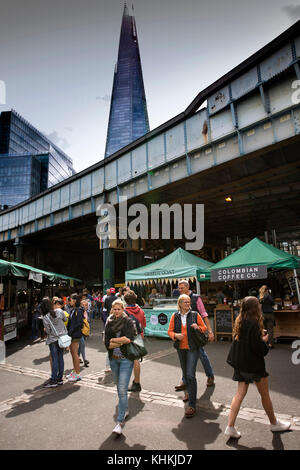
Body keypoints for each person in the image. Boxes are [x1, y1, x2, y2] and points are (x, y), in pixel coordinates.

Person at [225, 296, 291, 438]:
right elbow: (259, 350)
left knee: (239, 394)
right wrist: (264, 341)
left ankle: (230, 426)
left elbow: (245, 342)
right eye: (258, 304)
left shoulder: (240, 320)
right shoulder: (254, 323)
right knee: (265, 395)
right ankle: (274, 424)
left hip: (240, 364)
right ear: (255, 308)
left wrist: (257, 338)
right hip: (253, 365)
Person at [168, 294, 207, 418]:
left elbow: (204, 327)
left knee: (190, 375)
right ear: (180, 304)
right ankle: (189, 394)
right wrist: (175, 336)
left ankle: (192, 405)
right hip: (181, 348)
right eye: (185, 302)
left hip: (192, 348)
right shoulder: (175, 316)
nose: (187, 304)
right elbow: (169, 331)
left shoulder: (195, 315)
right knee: (185, 374)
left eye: (189, 302)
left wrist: (197, 327)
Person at [104, 299, 137, 435]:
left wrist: (114, 340)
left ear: (123, 309)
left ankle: (119, 421)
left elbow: (129, 339)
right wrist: (119, 341)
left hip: (126, 361)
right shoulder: (109, 322)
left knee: (122, 390)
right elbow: (107, 344)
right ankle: (125, 410)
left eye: (119, 309)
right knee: (119, 388)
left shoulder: (128, 321)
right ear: (112, 309)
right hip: (114, 360)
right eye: (115, 309)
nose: (117, 311)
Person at [175, 280, 215, 390]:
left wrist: (210, 331)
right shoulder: (180, 299)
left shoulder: (196, 298)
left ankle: (210, 375)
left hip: (196, 334)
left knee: (201, 355)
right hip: (184, 335)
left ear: (187, 287)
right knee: (184, 358)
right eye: (179, 288)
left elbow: (204, 314)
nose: (180, 290)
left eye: (182, 287)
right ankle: (185, 380)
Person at [40, 297, 68, 388]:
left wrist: (46, 329)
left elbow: (48, 331)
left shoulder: (45, 317)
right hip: (62, 338)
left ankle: (54, 379)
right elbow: (65, 320)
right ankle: (60, 379)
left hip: (53, 339)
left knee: (55, 359)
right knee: (60, 358)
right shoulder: (59, 311)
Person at [124, 290, 147, 392]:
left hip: (129, 338)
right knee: (135, 360)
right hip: (139, 337)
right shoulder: (141, 310)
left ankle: (136, 383)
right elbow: (144, 324)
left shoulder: (124, 312)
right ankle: (135, 381)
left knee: (133, 361)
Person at [66, 293, 84, 382]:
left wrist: (70, 332)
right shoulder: (74, 309)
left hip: (75, 335)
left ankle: (77, 373)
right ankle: (75, 371)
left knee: (75, 354)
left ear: (75, 300)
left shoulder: (78, 310)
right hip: (72, 334)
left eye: (71, 300)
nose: (69, 301)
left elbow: (78, 323)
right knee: (73, 353)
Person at [78, 299, 90, 368]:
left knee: (80, 346)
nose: (85, 306)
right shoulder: (80, 312)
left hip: (85, 331)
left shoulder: (86, 312)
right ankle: (85, 360)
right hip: (80, 331)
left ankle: (78, 358)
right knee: (82, 345)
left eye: (86, 305)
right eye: (83, 305)